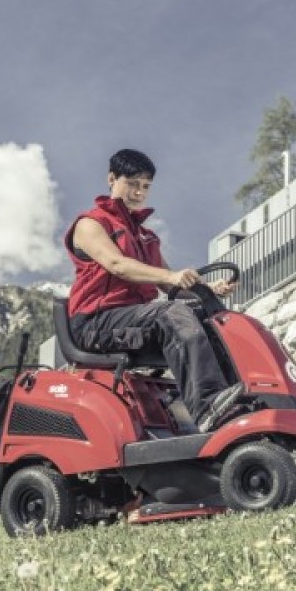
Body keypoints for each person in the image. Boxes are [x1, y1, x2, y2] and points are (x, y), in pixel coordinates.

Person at [65, 149, 244, 433]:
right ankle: (208, 406)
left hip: (138, 320)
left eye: (145, 186)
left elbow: (169, 285)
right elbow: (117, 264)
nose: (139, 192)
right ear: (111, 179)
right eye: (132, 183)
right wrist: (172, 276)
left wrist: (208, 289)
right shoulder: (91, 224)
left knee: (210, 321)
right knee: (172, 313)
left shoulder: (146, 237)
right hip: (96, 323)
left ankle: (237, 399)